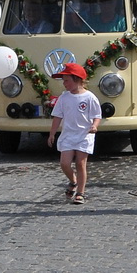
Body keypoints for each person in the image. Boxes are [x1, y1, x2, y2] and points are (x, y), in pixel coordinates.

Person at [49, 62, 101, 204]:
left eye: (67, 80)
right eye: (63, 81)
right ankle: (73, 181)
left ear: (77, 80)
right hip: (68, 135)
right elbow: (57, 116)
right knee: (64, 163)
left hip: (84, 135)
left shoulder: (89, 97)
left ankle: (80, 193)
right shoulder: (64, 98)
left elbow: (97, 115)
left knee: (80, 163)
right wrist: (52, 133)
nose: (64, 84)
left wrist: (94, 126)